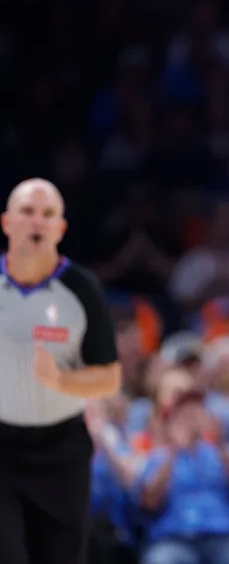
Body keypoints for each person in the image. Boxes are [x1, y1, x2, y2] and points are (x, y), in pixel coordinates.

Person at [0, 178, 122, 564]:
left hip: (61, 451)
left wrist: (60, 380)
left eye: (48, 215)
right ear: (7, 222)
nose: (37, 222)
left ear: (61, 229)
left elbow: (109, 377)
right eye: (28, 212)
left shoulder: (82, 289)